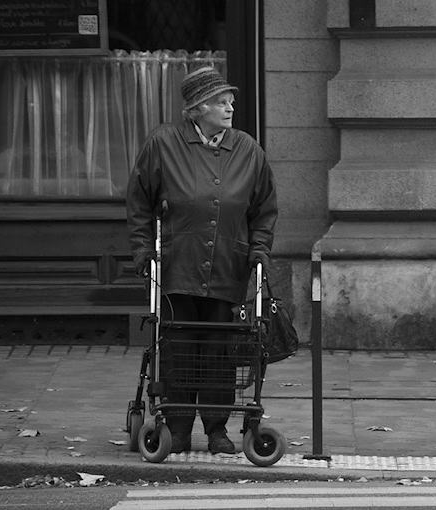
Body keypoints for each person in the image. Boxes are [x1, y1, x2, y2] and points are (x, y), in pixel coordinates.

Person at [127, 66, 278, 455]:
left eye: (231, 102)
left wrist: (259, 251)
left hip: (228, 265)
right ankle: (175, 428)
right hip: (178, 266)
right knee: (177, 347)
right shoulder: (164, 143)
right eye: (221, 102)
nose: (230, 108)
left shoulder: (247, 150)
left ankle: (216, 429)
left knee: (218, 349)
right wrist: (144, 249)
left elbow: (263, 211)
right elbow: (139, 201)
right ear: (197, 109)